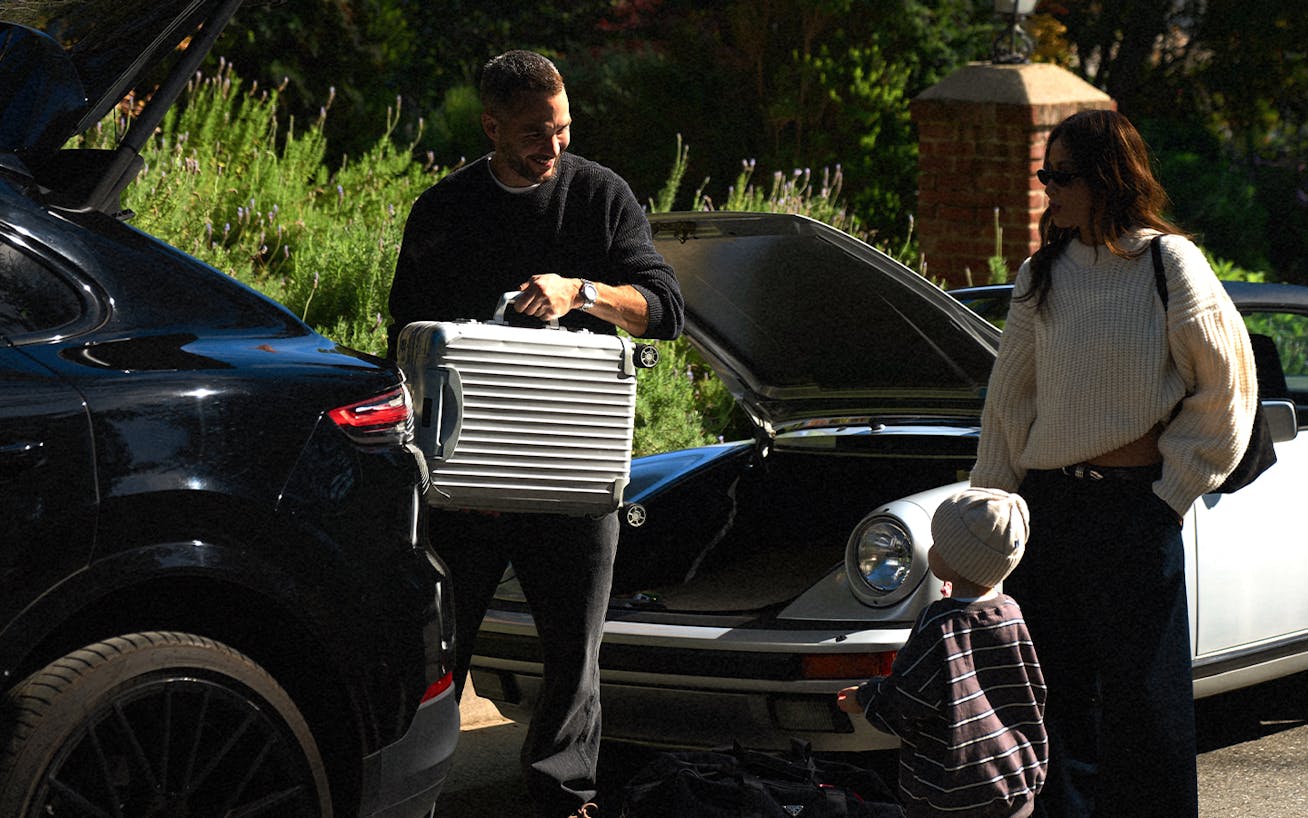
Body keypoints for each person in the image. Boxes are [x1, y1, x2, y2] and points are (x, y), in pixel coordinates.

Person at [386, 50, 684, 818]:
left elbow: (665, 311)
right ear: (491, 127)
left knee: (573, 662)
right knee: (435, 658)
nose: (552, 147)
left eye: (562, 129)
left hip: (575, 472)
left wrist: (579, 290)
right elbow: (406, 339)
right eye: (532, 133)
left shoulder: (601, 196)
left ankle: (565, 800)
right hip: (472, 481)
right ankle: (410, 796)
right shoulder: (443, 211)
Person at [968, 109, 1258, 818]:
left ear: (1108, 177)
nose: (1048, 190)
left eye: (1062, 176)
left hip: (1134, 512)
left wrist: (1169, 495)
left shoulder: (1169, 264)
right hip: (1049, 512)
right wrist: (986, 517)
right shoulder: (1042, 274)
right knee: (1052, 705)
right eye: (1044, 174)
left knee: (1146, 712)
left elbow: (1227, 387)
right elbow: (1009, 403)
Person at [837, 487, 1047, 817]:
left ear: (955, 561)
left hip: (952, 795)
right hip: (1013, 783)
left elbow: (907, 698)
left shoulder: (937, 626)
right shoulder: (1010, 612)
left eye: (939, 545)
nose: (932, 550)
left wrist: (865, 698)